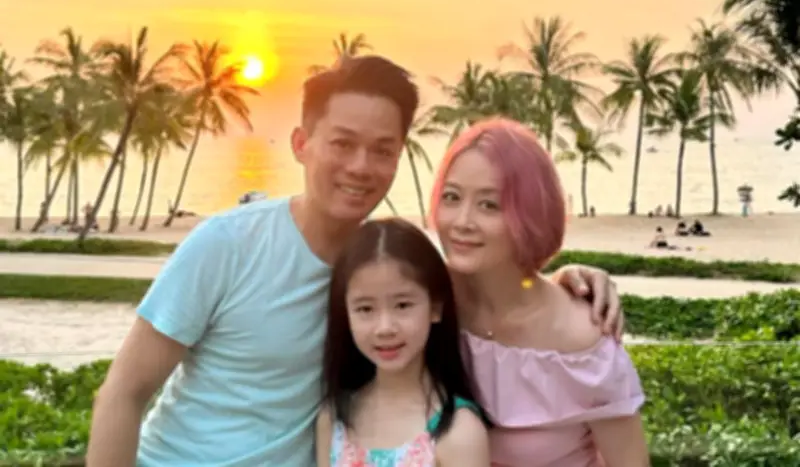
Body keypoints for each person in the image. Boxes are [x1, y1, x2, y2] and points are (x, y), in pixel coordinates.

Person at [86, 56, 622, 467]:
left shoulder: (388, 269)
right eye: (342, 144)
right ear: (301, 144)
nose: (361, 167)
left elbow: (495, 288)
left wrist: (567, 280)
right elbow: (123, 393)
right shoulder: (228, 244)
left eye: (382, 150)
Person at [429, 118, 649, 466]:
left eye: (489, 205)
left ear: (530, 214)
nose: (462, 221)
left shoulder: (581, 342)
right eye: (451, 197)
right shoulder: (426, 302)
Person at [316, 218, 490, 466]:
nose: (385, 328)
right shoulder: (333, 419)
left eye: (402, 305)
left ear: (435, 307)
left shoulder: (458, 433)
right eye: (365, 309)